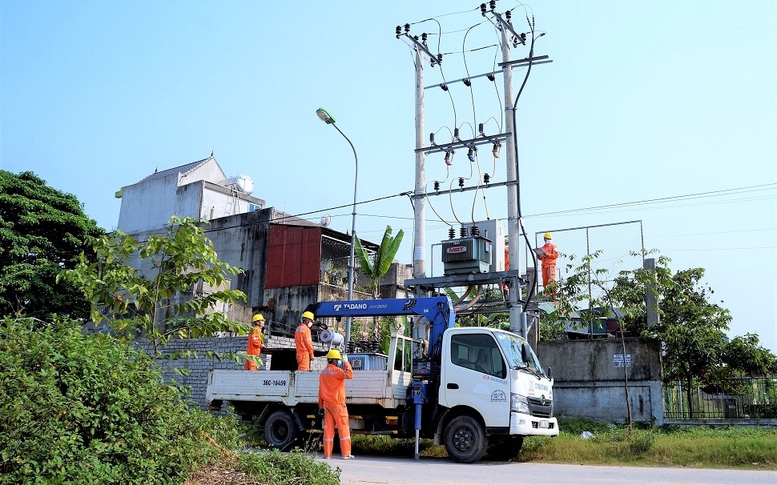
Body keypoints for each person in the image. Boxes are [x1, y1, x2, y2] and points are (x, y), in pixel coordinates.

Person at [318, 348, 354, 460]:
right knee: (343, 429)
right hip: (338, 405)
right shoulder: (337, 371)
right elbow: (349, 375)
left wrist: (320, 406)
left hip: (327, 405)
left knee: (328, 430)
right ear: (334, 360)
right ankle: (346, 454)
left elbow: (320, 391)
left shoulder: (323, 373)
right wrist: (346, 362)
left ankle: (327, 454)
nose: (339, 361)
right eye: (338, 360)